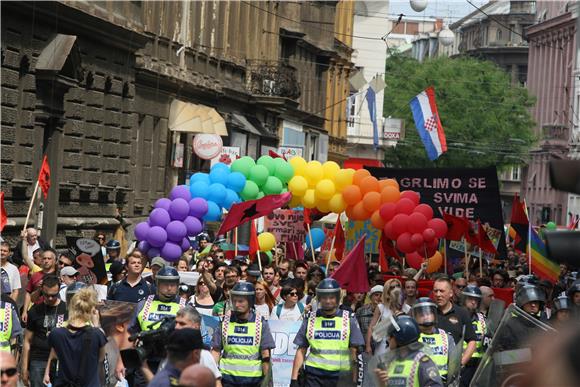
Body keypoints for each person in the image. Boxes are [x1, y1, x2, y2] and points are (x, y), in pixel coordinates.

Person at [291, 278, 365, 387]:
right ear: (319, 298)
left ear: (337, 298)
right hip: (313, 375)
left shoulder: (349, 318)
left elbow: (355, 352)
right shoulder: (310, 318)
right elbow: (301, 349)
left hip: (341, 377)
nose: (328, 301)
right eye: (324, 297)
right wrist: (294, 379)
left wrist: (355, 381)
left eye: (331, 297)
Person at [211, 282, 275, 387]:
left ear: (250, 301)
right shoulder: (224, 322)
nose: (236, 304)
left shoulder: (260, 323)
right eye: (234, 301)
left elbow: (266, 355)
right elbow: (215, 352)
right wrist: (216, 380)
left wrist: (268, 382)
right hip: (227, 380)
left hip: (253, 382)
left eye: (241, 301)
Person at [44, 287, 107, 387]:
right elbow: (100, 358)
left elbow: (54, 356)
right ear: (91, 310)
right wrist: (96, 325)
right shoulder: (96, 334)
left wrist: (47, 372)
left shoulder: (56, 333)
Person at [21, 275, 67, 387]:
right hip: (38, 359)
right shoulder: (35, 311)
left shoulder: (67, 309)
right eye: (47, 295)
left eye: (53, 295)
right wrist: (24, 368)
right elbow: (27, 341)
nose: (50, 298)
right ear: (42, 290)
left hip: (60, 360)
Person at [373, 315, 444, 387]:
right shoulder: (390, 362)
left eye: (391, 336)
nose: (388, 339)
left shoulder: (423, 363)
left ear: (400, 339)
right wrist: (381, 384)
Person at [432, 277, 477, 367]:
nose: (438, 294)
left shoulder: (462, 313)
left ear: (451, 293)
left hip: (453, 370)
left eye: (442, 291)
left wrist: (460, 364)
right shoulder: (429, 313)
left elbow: (472, 341)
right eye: (435, 291)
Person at [412, 297, 455, 383]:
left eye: (428, 313)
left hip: (443, 382)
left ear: (434, 315)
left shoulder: (446, 337)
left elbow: (454, 364)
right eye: (421, 315)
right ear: (415, 317)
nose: (426, 317)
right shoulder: (412, 338)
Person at [174, 306, 222, 382]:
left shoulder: (204, 355)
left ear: (196, 326)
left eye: (182, 324)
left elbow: (216, 383)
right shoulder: (171, 353)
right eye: (175, 323)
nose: (176, 327)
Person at [495, 284, 547, 351]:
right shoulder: (510, 324)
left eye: (536, 302)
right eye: (529, 302)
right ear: (521, 303)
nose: (533, 305)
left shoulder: (544, 325)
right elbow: (505, 350)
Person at [366, 279, 405, 355]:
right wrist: (368, 346)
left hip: (401, 347)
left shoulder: (406, 308)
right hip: (383, 346)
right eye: (392, 287)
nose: (395, 289)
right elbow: (371, 327)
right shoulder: (381, 307)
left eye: (398, 286)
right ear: (387, 291)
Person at [458, 285, 487, 386]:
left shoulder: (483, 319)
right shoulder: (456, 317)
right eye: (470, 299)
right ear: (464, 299)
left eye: (476, 299)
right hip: (462, 365)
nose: (473, 302)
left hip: (480, 366)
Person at [22, 249, 57, 323]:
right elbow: (28, 294)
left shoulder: (58, 275)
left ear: (54, 260)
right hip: (37, 311)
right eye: (44, 258)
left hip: (54, 311)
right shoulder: (35, 275)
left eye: (49, 258)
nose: (46, 261)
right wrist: (25, 311)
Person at [355, 285, 383, 353]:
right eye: (376, 295)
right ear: (371, 297)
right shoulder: (361, 311)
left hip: (381, 348)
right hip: (364, 349)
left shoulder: (386, 311)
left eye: (381, 295)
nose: (379, 297)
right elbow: (356, 331)